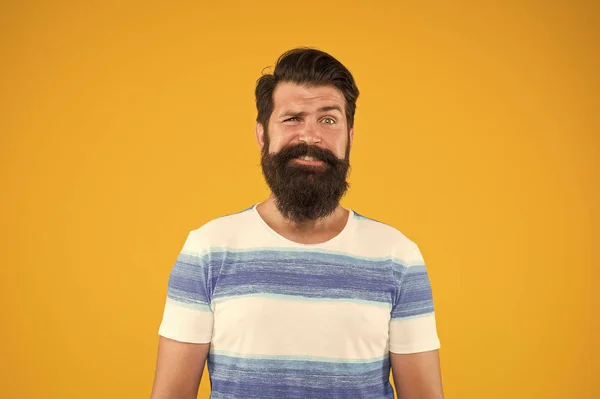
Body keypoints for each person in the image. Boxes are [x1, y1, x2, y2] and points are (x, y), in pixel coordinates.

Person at [150, 47, 444, 399]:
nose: (310, 136)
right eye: (292, 119)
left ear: (350, 135)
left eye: (328, 119)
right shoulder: (207, 250)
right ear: (262, 134)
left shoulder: (398, 256)